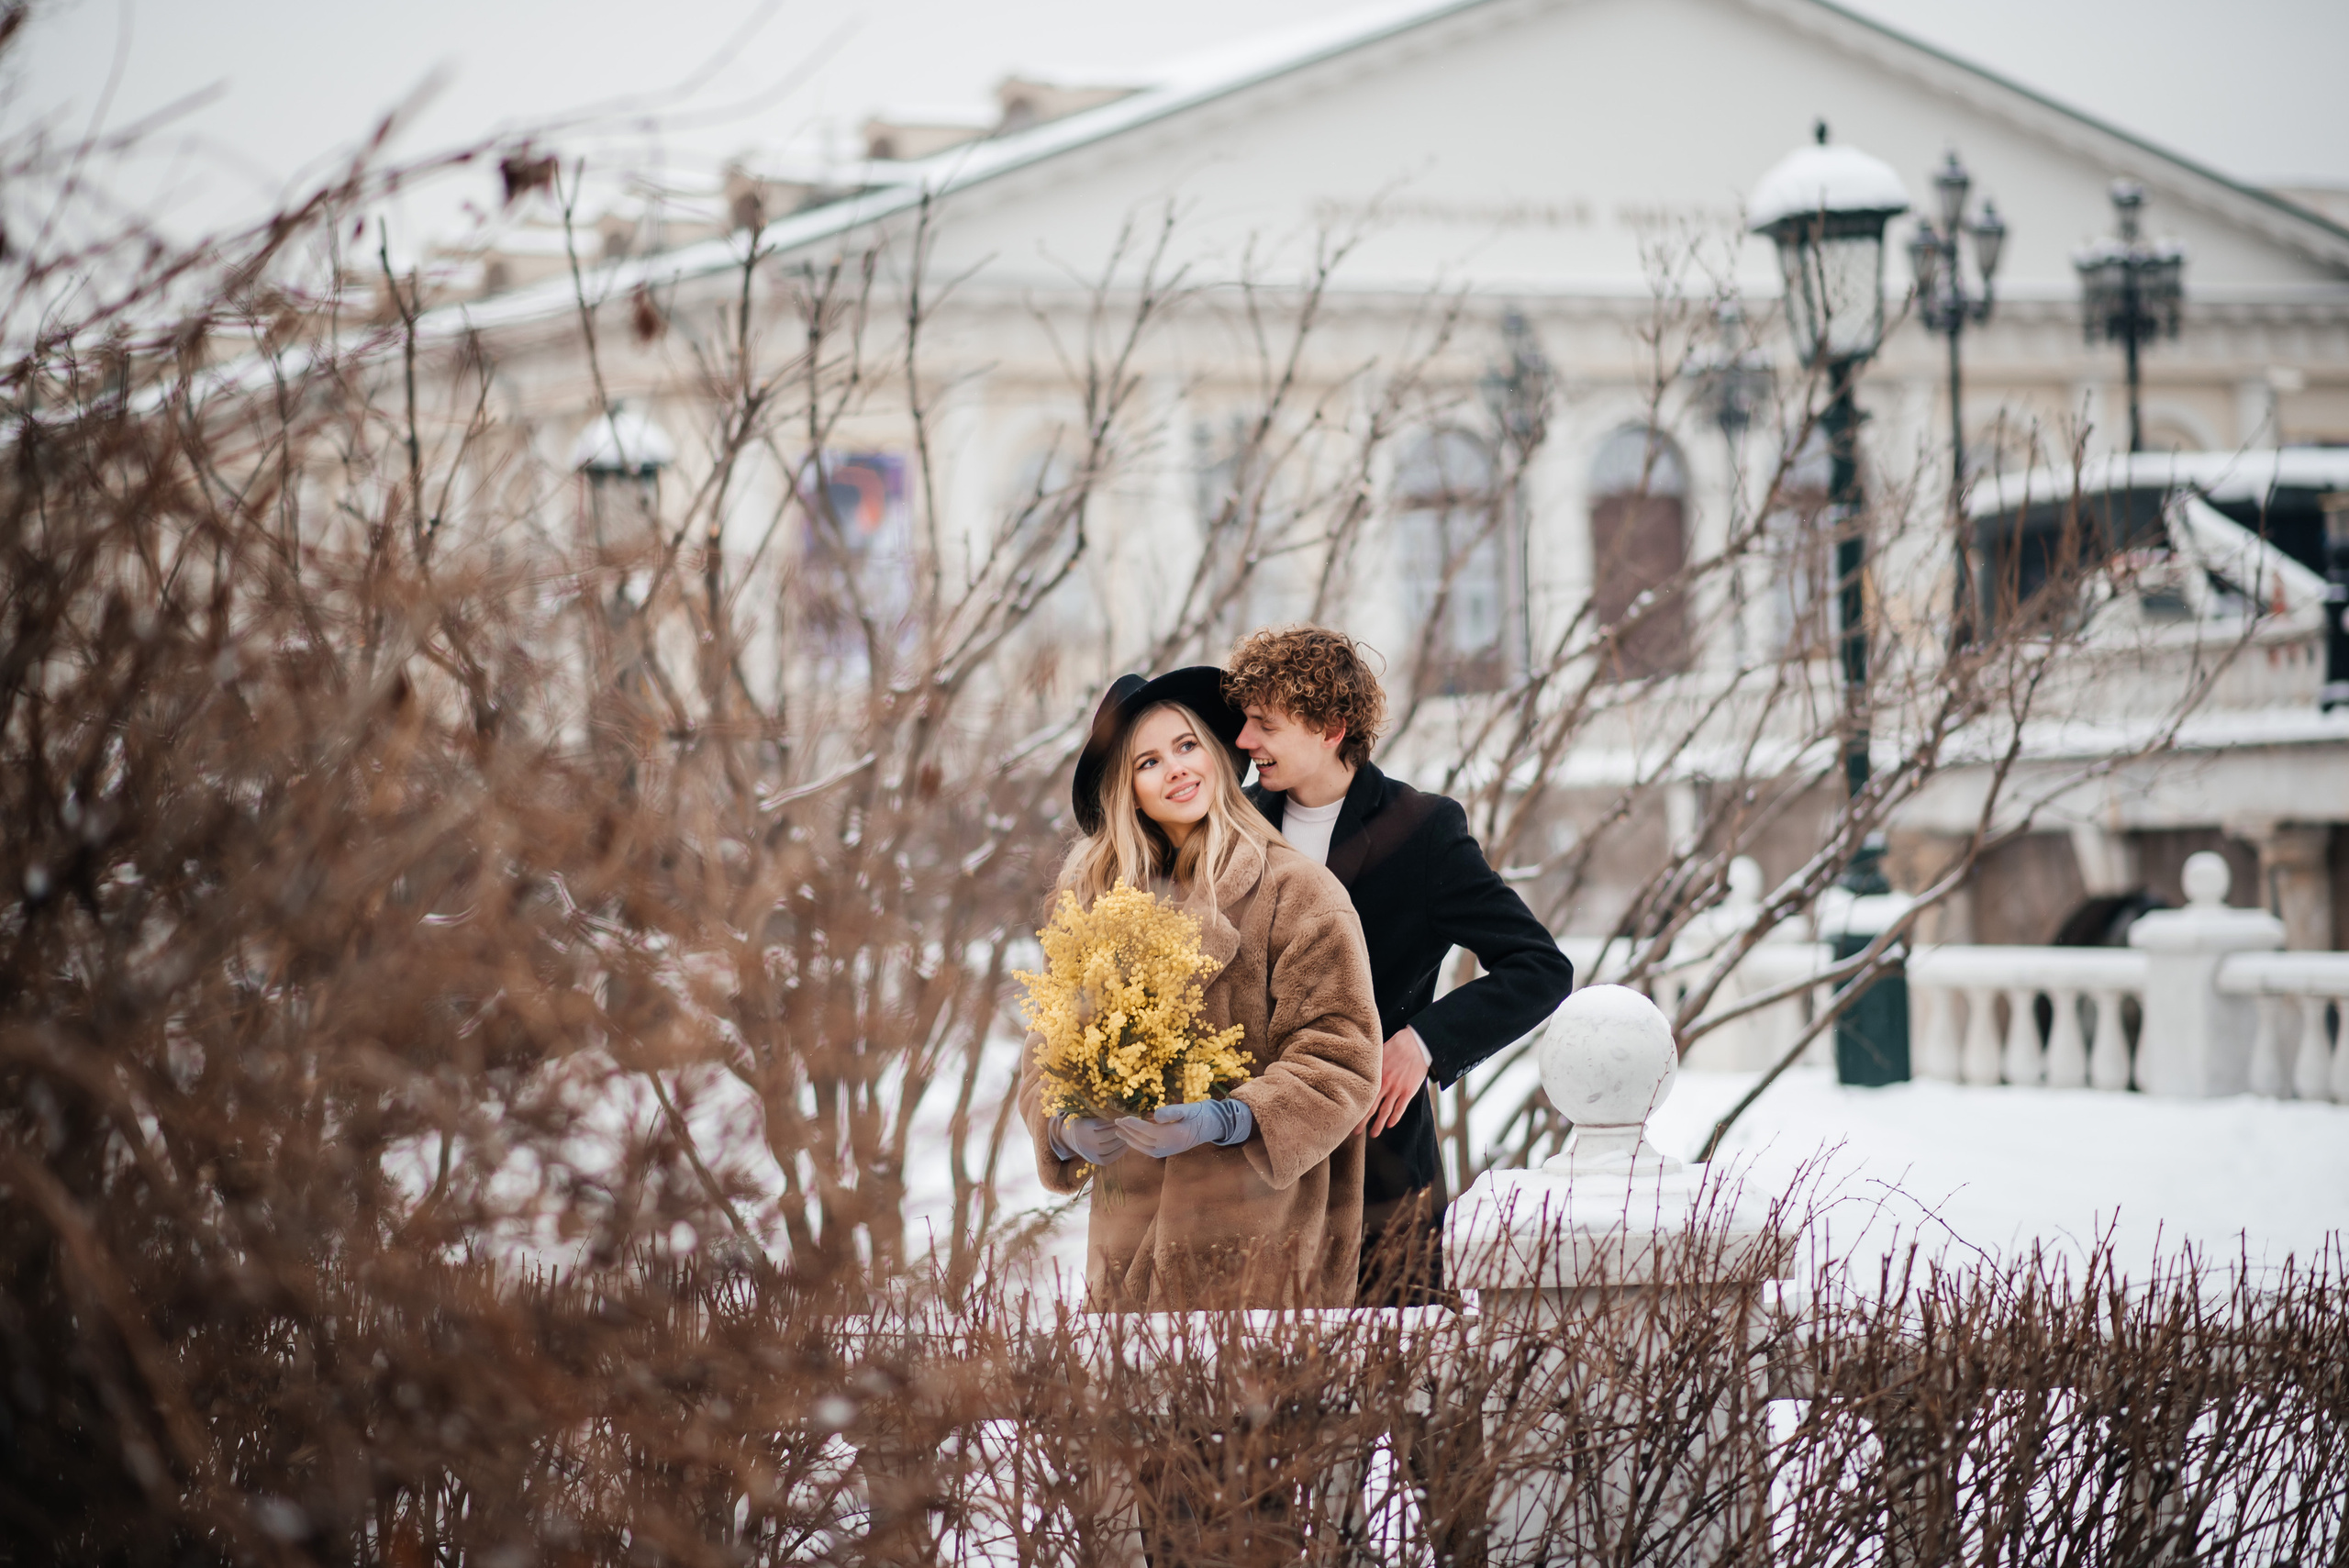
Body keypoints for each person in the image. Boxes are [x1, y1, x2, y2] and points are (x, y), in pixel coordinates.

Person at [1225, 626, 1575, 1307]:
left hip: (1379, 1164)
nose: (1244, 741)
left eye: (1264, 723)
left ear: (1331, 725)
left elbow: (1538, 966)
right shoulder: (1234, 824)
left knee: (1391, 1393)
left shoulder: (1423, 830)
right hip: (1249, 1163)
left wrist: (1423, 1045)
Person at [1019, 666, 1381, 1312]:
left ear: (1216, 754)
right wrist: (1065, 1126)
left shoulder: (1298, 892)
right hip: (1126, 1253)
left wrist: (1232, 1116)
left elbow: (1342, 1056)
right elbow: (1046, 1052)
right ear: (1126, 791)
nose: (1177, 769)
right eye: (1148, 761)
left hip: (1262, 1245)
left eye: (1187, 746)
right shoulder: (1093, 905)